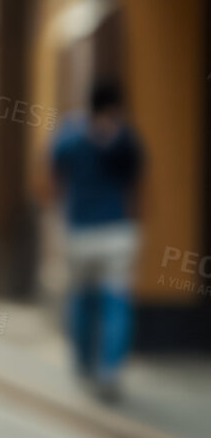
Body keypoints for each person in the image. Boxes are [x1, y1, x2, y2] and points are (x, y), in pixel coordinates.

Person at [49, 78, 145, 402]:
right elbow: (139, 182)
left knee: (82, 300)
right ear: (117, 105)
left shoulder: (71, 133)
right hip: (117, 231)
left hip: (80, 231)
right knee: (116, 303)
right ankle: (110, 370)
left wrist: (58, 212)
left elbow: (50, 175)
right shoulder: (126, 137)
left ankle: (83, 363)